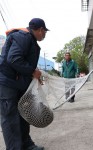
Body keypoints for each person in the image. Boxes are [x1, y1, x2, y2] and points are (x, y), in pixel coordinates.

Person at [0, 18, 49, 150]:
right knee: (10, 118)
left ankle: (26, 144)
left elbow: (22, 61)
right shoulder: (24, 37)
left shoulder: (29, 39)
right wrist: (32, 71)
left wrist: (33, 75)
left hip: (18, 83)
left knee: (23, 113)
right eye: (45, 32)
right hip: (8, 83)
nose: (44, 35)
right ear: (40, 30)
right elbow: (14, 59)